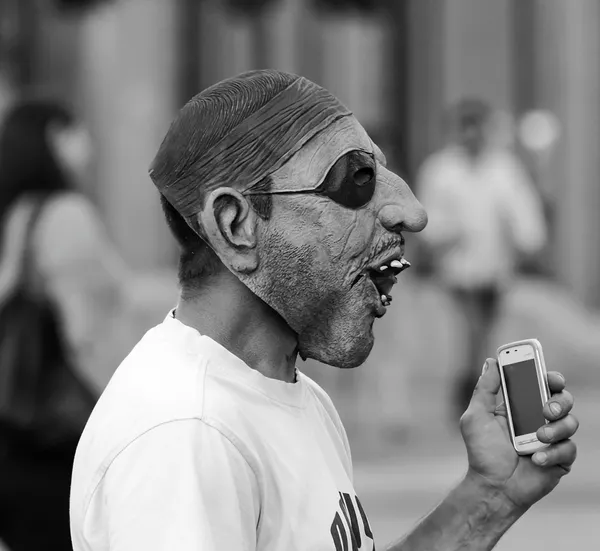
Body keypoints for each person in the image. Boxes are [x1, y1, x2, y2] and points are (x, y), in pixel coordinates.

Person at [70, 71, 578, 551]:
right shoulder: (185, 435)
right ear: (236, 224)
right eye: (357, 179)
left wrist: (491, 496)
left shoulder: (291, 395)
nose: (413, 212)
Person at [0, 99, 131, 551]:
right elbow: (88, 335)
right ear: (55, 137)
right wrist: (130, 414)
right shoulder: (65, 215)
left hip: (16, 434)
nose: (88, 144)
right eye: (79, 131)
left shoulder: (17, 213)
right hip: (62, 441)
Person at [416, 98, 548, 420]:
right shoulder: (440, 170)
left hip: (495, 271)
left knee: (486, 334)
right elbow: (427, 221)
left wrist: (528, 241)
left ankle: (475, 392)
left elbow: (524, 217)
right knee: (472, 331)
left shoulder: (504, 169)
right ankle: (472, 393)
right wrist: (446, 236)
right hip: (456, 272)